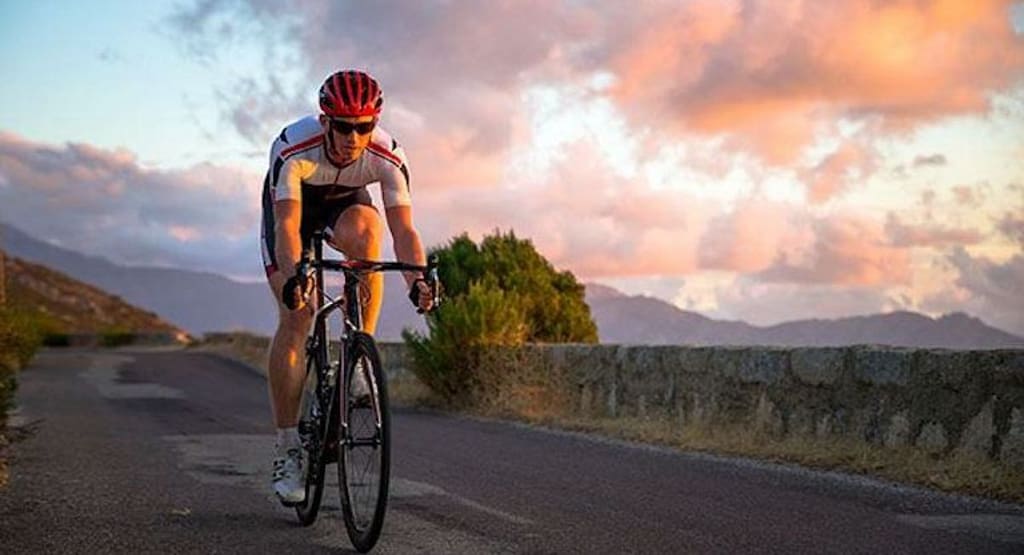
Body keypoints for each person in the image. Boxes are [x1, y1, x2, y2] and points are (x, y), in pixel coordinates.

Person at [260, 69, 435, 505]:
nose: (353, 137)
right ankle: (288, 451)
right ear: (325, 122)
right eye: (343, 126)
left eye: (364, 126)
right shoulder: (293, 147)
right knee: (298, 315)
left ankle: (359, 353)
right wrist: (294, 274)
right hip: (294, 207)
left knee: (370, 235)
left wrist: (418, 279)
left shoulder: (388, 155)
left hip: (345, 205)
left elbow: (405, 230)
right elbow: (285, 225)